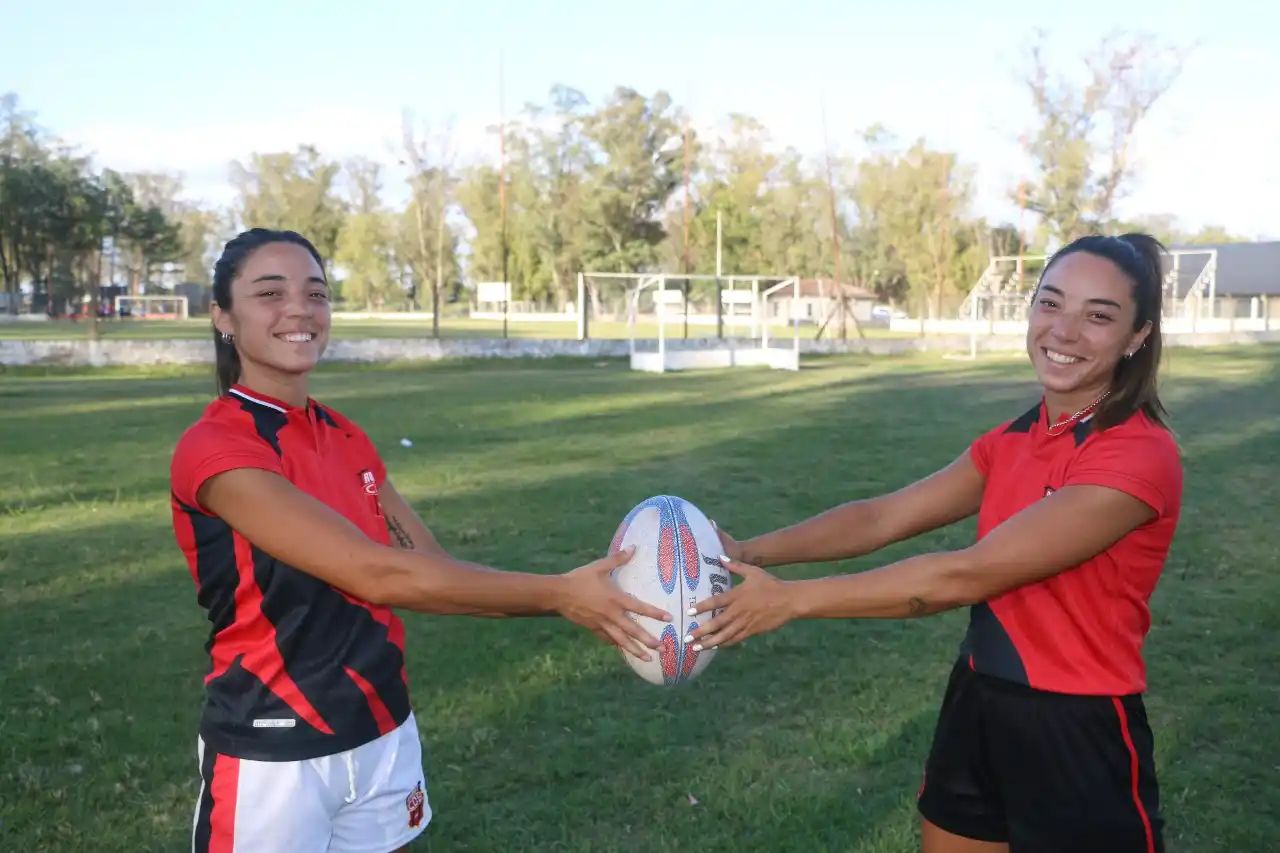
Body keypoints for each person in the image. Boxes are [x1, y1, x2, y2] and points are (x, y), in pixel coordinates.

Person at [170, 227, 669, 853]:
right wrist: (561, 595)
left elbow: (430, 568)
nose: (299, 309)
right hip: (273, 748)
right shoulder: (217, 448)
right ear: (223, 317)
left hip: (381, 728)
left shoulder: (345, 436)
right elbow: (376, 573)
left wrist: (579, 599)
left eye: (316, 293)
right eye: (270, 293)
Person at [690, 233, 1182, 853]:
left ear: (1137, 337)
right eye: (1051, 303)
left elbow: (965, 575)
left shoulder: (1137, 455)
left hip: (1076, 727)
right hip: (977, 698)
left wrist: (791, 600)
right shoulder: (1015, 438)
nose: (1064, 330)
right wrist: (747, 552)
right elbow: (882, 517)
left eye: (1099, 316)